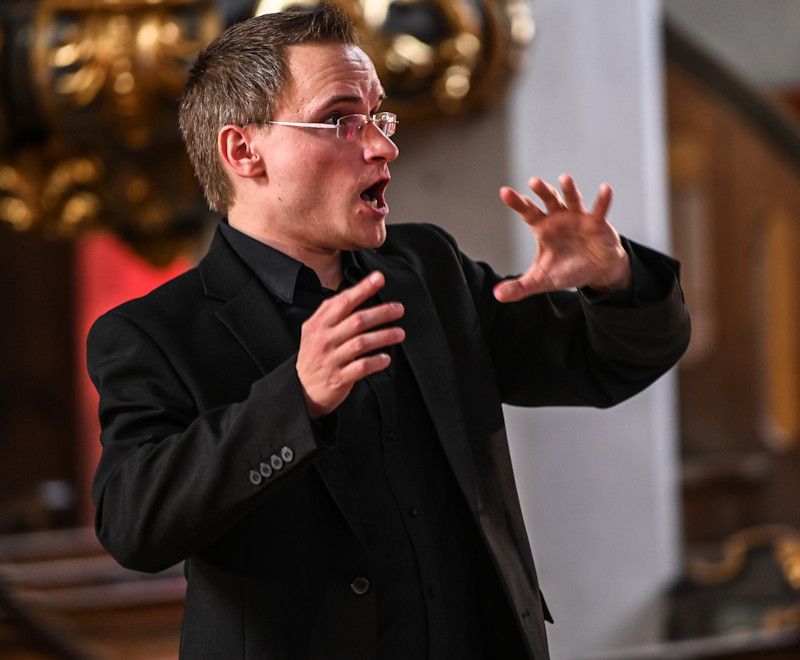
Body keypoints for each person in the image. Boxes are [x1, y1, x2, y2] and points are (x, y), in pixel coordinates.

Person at [86, 5, 690, 659]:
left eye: (378, 116)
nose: (382, 146)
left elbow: (603, 365)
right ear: (243, 151)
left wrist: (615, 280)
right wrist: (297, 399)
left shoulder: (428, 269)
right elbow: (134, 526)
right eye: (341, 119)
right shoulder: (153, 333)